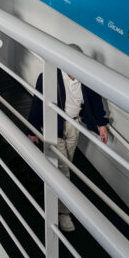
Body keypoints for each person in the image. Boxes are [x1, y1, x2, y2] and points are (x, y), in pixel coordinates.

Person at [27, 51, 109, 233]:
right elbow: (36, 102)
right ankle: (63, 212)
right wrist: (31, 129)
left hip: (74, 125)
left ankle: (51, 189)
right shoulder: (49, 77)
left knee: (66, 165)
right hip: (53, 124)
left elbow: (95, 102)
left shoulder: (86, 80)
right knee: (63, 168)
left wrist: (102, 124)